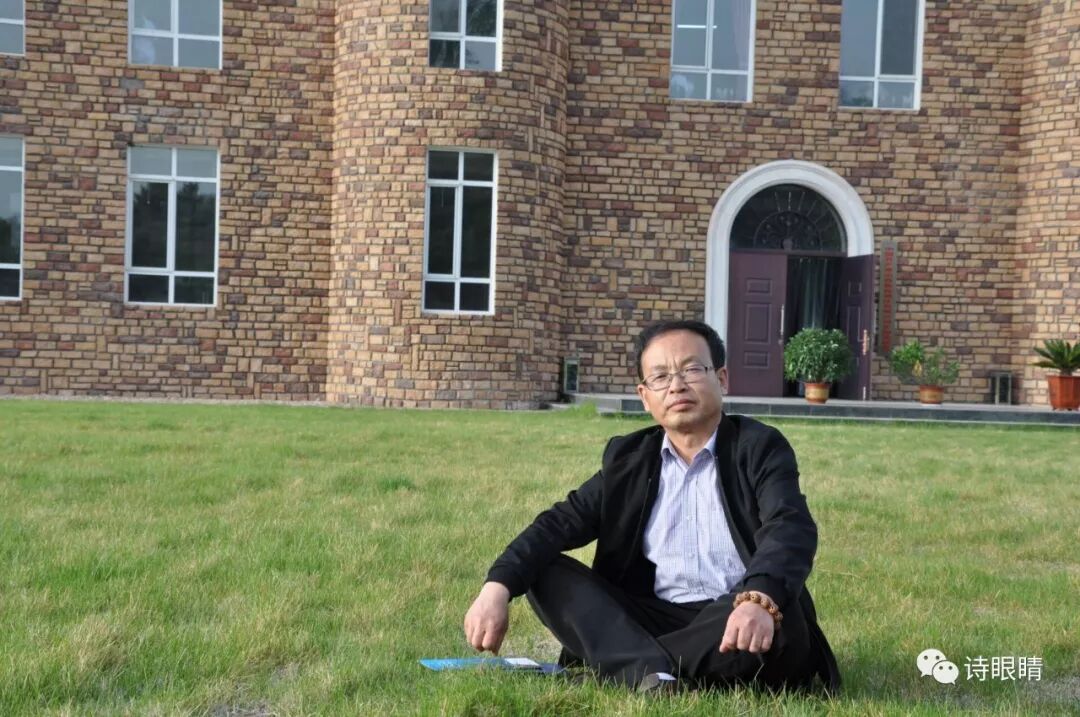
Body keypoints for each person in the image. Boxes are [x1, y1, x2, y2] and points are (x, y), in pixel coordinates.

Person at [463, 320, 841, 692]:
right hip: (652, 615)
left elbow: (788, 526)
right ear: (645, 397)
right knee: (542, 570)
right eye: (660, 377)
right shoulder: (628, 459)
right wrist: (496, 587)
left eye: (692, 369)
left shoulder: (759, 447)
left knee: (781, 615)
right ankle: (653, 670)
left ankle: (632, 666)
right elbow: (556, 525)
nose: (676, 385)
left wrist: (758, 598)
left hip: (733, 613)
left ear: (721, 378)